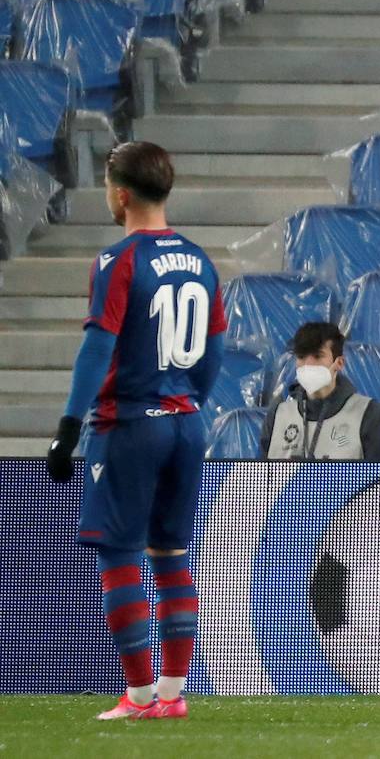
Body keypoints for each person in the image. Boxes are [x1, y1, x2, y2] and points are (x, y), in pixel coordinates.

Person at [45, 142, 226, 721]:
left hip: (130, 424)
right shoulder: (201, 259)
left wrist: (69, 427)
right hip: (187, 423)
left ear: (120, 193)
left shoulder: (118, 260)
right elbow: (214, 353)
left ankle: (140, 695)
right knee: (172, 552)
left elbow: (98, 346)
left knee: (120, 555)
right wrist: (189, 402)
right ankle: (173, 696)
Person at [259, 321, 380, 460]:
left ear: (339, 363)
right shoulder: (277, 414)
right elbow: (257, 476)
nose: (308, 365)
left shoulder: (371, 414)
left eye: (317, 356)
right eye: (302, 357)